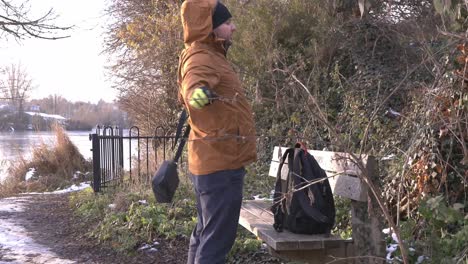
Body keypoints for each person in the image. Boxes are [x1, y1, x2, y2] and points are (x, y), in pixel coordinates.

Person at [177, 0, 257, 263]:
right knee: (216, 241)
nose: (233, 28)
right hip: (221, 162)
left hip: (213, 159)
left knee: (204, 233)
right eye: (227, 23)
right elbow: (192, 92)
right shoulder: (202, 57)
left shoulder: (211, 54)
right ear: (210, 28)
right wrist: (201, 96)